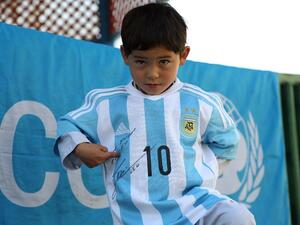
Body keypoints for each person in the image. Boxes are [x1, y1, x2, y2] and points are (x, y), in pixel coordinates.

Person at [54, 3, 256, 225]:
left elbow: (228, 142)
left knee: (238, 217)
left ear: (183, 55)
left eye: (164, 61)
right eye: (141, 61)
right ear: (125, 55)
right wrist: (81, 148)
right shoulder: (105, 103)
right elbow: (67, 125)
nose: (152, 73)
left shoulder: (200, 103)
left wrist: (196, 167)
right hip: (136, 217)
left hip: (196, 207)